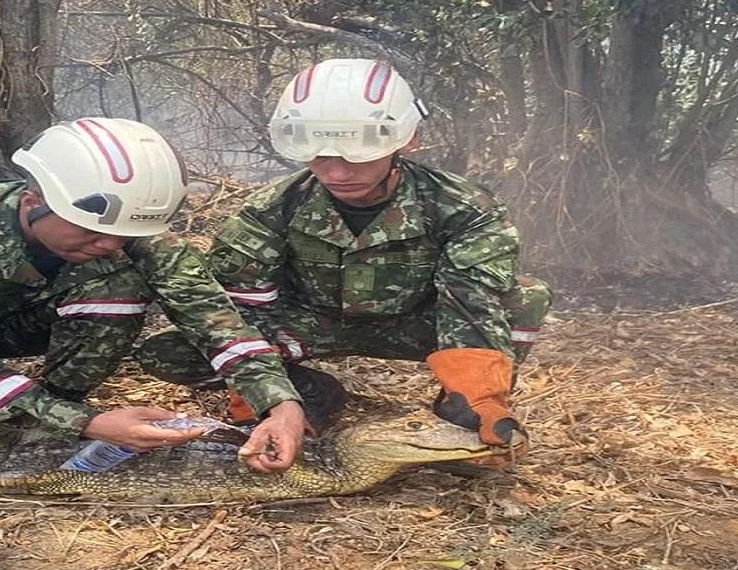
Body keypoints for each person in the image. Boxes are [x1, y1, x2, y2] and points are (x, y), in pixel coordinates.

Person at [0, 117, 306, 471]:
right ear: (35, 201)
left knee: (117, 280)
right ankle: (46, 412)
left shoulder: (127, 223)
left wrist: (280, 404)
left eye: (123, 236)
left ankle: (47, 410)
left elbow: (208, 314)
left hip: (22, 323)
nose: (110, 245)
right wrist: (88, 423)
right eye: (94, 232)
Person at [137, 59, 552, 451]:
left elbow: (471, 303)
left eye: (357, 153)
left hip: (418, 323)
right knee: (173, 350)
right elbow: (241, 311)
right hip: (305, 327)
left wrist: (478, 398)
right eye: (320, 155)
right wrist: (267, 397)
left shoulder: (463, 207)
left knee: (524, 300)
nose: (337, 172)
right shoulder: (270, 210)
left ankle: (458, 405)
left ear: (405, 141)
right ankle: (311, 396)